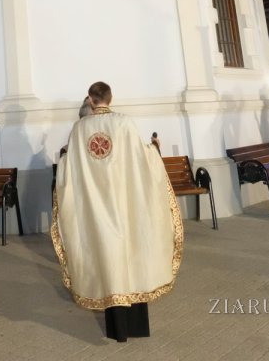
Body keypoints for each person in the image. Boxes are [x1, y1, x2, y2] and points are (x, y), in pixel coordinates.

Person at [53, 82, 182, 342]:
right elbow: (143, 159)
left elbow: (68, 167)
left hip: (96, 210)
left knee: (107, 259)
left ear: (91, 100)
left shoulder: (79, 129)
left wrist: (65, 160)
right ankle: (137, 327)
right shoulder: (124, 123)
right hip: (126, 206)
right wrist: (154, 150)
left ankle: (117, 329)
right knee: (132, 256)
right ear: (111, 98)